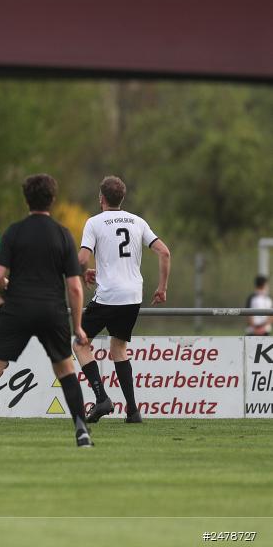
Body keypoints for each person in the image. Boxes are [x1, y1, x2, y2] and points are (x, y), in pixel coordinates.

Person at [0, 174, 93, 448]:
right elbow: (75, 288)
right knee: (65, 369)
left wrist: (7, 296)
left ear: (26, 199)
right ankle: (82, 430)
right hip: (51, 310)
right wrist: (77, 326)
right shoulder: (62, 234)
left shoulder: (14, 231)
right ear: (52, 200)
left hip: (18, 308)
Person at [74, 176, 171, 424]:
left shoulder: (94, 223)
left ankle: (101, 398)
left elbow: (83, 258)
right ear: (122, 198)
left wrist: (78, 271)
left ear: (101, 198)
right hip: (132, 296)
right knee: (119, 348)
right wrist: (161, 288)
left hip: (108, 295)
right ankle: (133, 411)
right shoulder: (137, 221)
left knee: (79, 344)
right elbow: (164, 251)